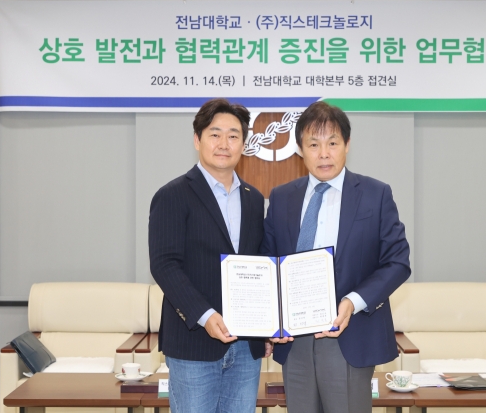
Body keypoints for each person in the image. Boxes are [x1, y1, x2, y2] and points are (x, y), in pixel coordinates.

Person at [261, 101, 411, 413]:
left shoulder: (374, 194)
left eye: (332, 143)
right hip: (294, 339)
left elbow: (398, 261)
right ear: (300, 149)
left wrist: (353, 301)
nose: (324, 153)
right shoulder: (282, 197)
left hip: (349, 333)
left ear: (347, 145)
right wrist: (268, 319)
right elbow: (267, 263)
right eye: (313, 144)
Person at [149, 98, 271, 413]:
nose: (223, 143)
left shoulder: (254, 199)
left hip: (245, 346)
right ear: (197, 139)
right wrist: (206, 316)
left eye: (233, 135)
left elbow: (260, 264)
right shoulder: (172, 195)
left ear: (244, 143)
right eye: (214, 134)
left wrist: (268, 326)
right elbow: (165, 265)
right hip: (194, 343)